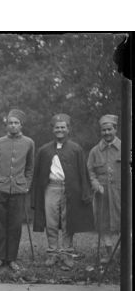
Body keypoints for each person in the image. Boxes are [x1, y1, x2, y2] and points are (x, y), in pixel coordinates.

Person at [32, 114, 93, 268]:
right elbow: (37, 174)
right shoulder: (44, 150)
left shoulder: (76, 149)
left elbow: (82, 172)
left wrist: (85, 192)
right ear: (53, 130)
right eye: (57, 127)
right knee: (51, 222)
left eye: (62, 127)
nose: (60, 130)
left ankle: (67, 254)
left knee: (68, 222)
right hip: (51, 188)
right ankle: (52, 253)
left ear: (68, 129)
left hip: (70, 189)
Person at [0, 108, 35, 272]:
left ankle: (12, 259)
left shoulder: (29, 143)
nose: (13, 126)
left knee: (14, 226)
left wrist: (26, 185)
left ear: (21, 125)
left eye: (16, 123)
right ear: (6, 125)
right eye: (10, 123)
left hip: (18, 190)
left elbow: (30, 167)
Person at [87, 114, 121, 264]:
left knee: (124, 222)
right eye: (104, 130)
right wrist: (95, 184)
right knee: (104, 224)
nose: (107, 133)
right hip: (102, 193)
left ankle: (123, 254)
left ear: (115, 129)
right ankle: (109, 254)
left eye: (109, 129)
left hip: (122, 193)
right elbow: (90, 171)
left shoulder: (126, 147)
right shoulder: (95, 151)